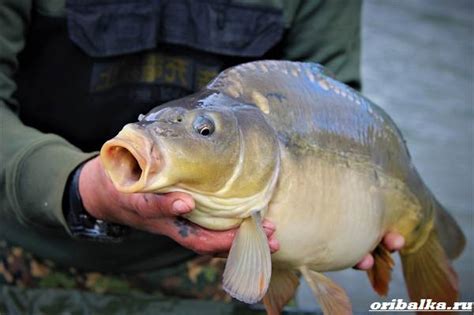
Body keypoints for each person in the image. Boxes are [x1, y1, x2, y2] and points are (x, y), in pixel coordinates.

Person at [0, 0, 403, 308]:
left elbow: (335, 105)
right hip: (25, 248)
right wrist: (76, 186)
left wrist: (341, 216)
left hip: (225, 275)